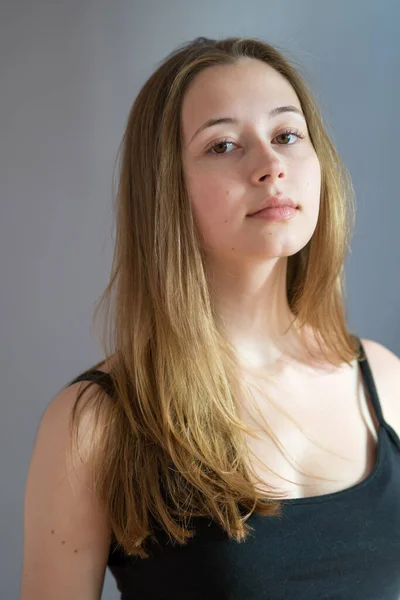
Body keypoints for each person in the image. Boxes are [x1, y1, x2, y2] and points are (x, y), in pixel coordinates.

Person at [20, 36, 400, 600]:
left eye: (286, 136)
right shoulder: (97, 423)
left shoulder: (385, 381)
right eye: (223, 146)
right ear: (167, 187)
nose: (271, 166)